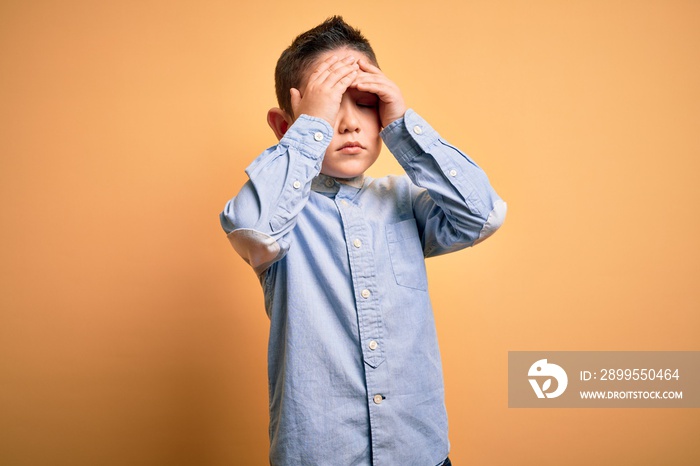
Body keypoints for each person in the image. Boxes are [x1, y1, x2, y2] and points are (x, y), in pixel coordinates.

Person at [220, 16, 506, 466]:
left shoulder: (404, 202)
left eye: (366, 103)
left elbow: (482, 214)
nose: (349, 123)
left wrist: (403, 128)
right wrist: (310, 129)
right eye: (332, 106)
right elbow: (253, 230)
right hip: (320, 454)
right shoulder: (281, 216)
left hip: (420, 452)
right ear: (285, 125)